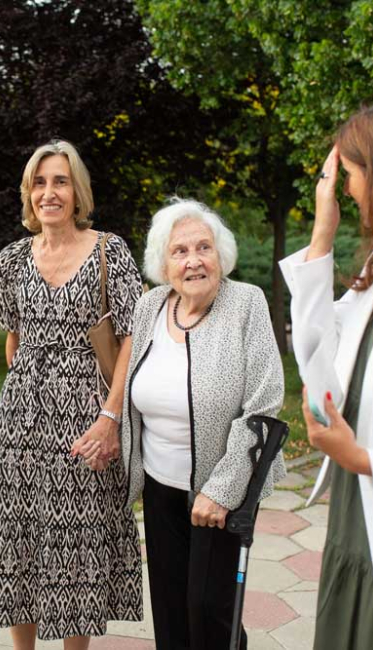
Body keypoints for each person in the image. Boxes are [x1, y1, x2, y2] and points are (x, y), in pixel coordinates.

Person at [0, 140, 143, 649]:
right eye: (40, 182)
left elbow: (133, 336)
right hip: (19, 425)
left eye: (61, 181)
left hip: (87, 417)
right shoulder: (11, 259)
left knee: (78, 540)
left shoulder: (109, 251)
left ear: (78, 192)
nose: (49, 192)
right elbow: (13, 339)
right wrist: (32, 390)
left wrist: (110, 416)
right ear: (28, 193)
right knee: (19, 539)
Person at [121, 198, 285, 650]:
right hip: (160, 486)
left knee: (211, 613)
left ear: (220, 254)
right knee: (171, 610)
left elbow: (264, 404)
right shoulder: (151, 306)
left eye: (203, 248)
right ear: (164, 264)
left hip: (220, 490)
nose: (193, 260)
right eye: (180, 251)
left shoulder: (246, 303)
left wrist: (223, 490)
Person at [280, 107, 373, 650]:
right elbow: (318, 353)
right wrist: (322, 232)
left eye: (351, 173)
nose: (347, 188)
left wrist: (360, 457)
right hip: (355, 504)